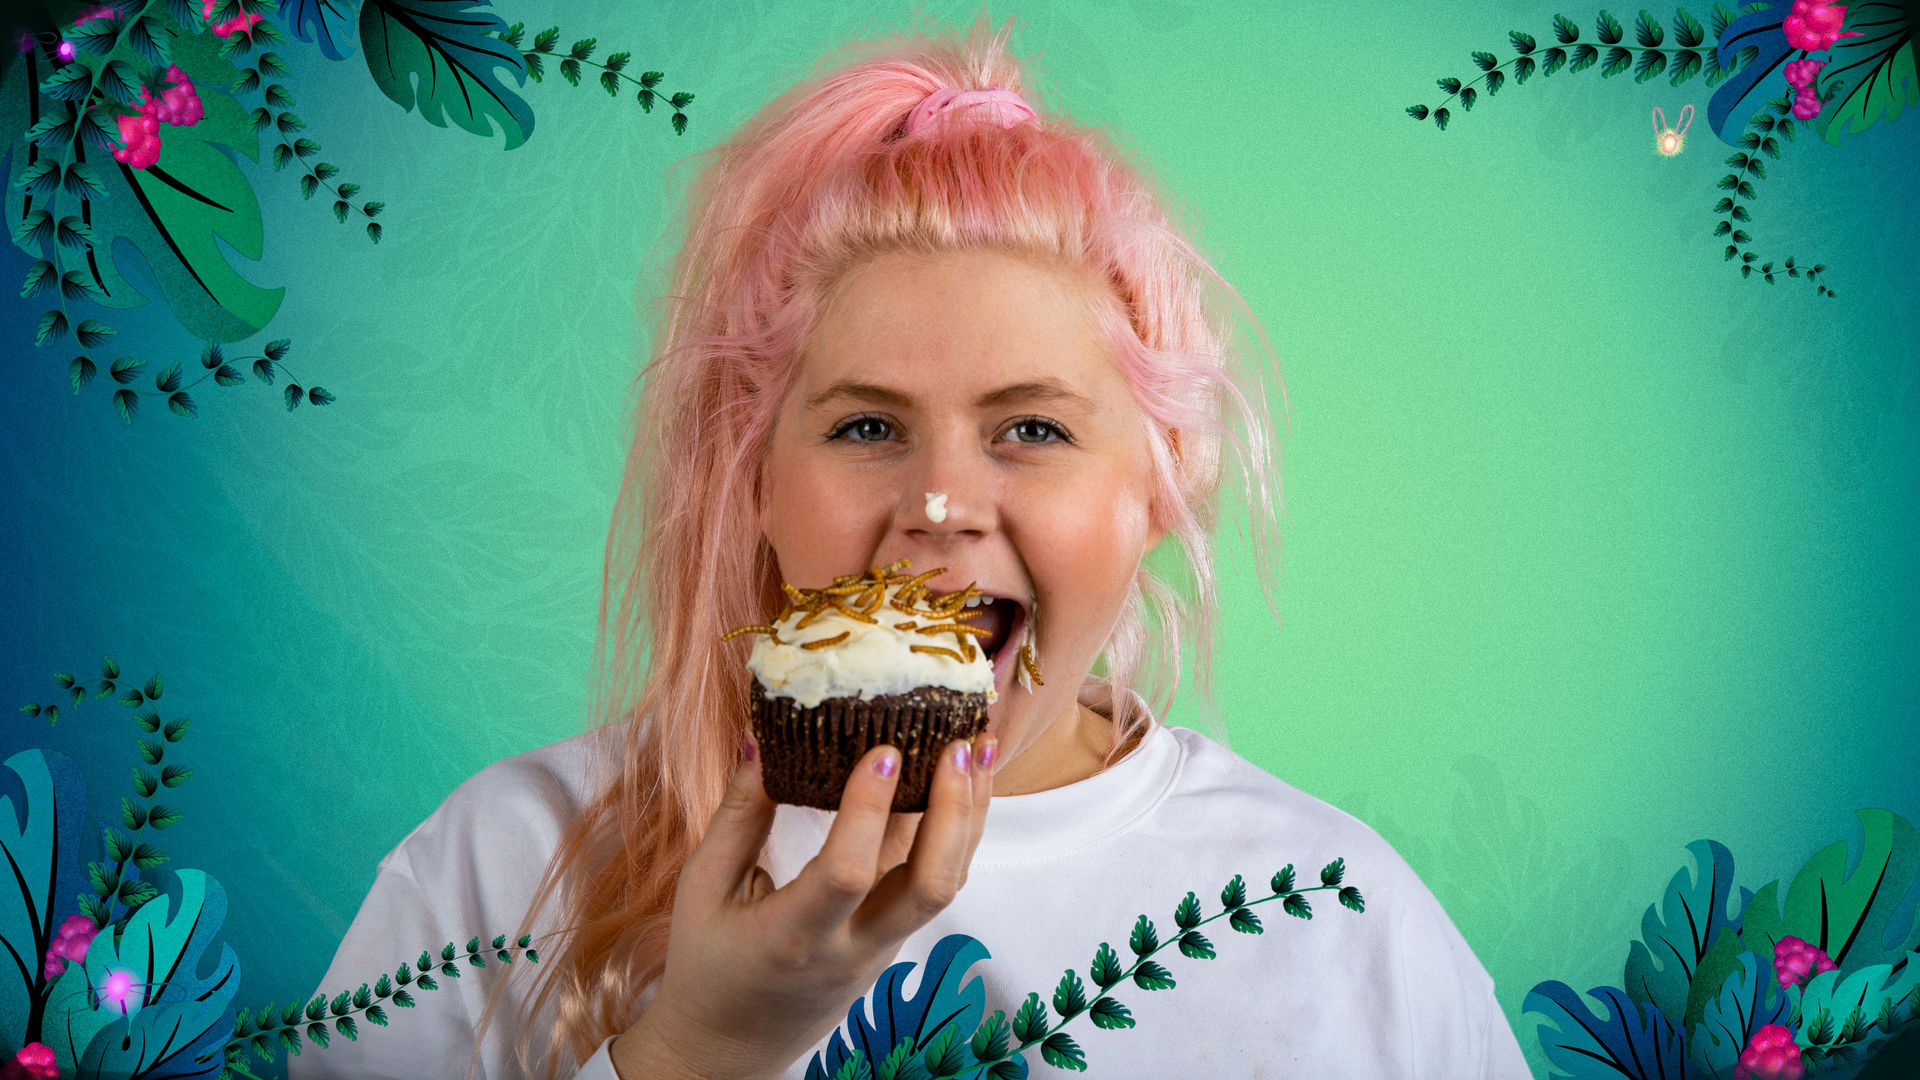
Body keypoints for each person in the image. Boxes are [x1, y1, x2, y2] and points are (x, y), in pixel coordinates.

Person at [291, 10, 1534, 1080]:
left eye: (1032, 429)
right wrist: (697, 1052)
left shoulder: (1329, 917)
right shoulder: (505, 865)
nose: (940, 504)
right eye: (868, 426)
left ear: (1161, 489)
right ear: (755, 480)